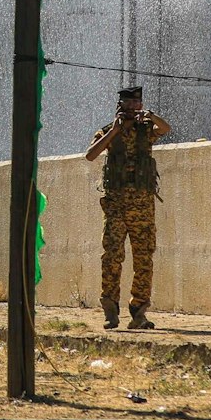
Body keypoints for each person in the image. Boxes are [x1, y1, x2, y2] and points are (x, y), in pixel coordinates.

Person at [83, 85, 171, 330]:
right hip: (116, 208)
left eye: (137, 103)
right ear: (119, 105)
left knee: (144, 259)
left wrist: (151, 116)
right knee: (112, 257)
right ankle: (111, 312)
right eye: (129, 103)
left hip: (142, 208)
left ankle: (139, 312)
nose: (133, 107)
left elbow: (166, 129)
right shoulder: (108, 132)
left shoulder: (147, 130)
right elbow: (90, 155)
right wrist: (114, 130)